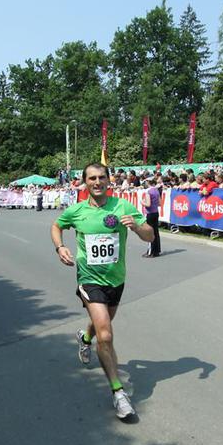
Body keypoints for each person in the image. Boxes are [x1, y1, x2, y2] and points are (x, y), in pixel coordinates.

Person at [51, 162, 154, 420]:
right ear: (85, 182)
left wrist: (137, 226)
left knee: (101, 325)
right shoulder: (77, 211)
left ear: (109, 180)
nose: (97, 182)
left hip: (116, 280)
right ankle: (119, 393)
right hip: (89, 279)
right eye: (92, 178)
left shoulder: (123, 206)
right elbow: (56, 226)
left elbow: (150, 236)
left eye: (101, 177)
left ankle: (85, 338)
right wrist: (60, 247)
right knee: (106, 335)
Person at [141, 178, 161, 258]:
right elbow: (159, 203)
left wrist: (142, 202)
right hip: (156, 212)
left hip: (150, 213)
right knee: (156, 232)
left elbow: (148, 204)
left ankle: (151, 252)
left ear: (148, 182)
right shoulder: (156, 190)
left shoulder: (148, 191)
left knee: (150, 232)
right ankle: (157, 250)